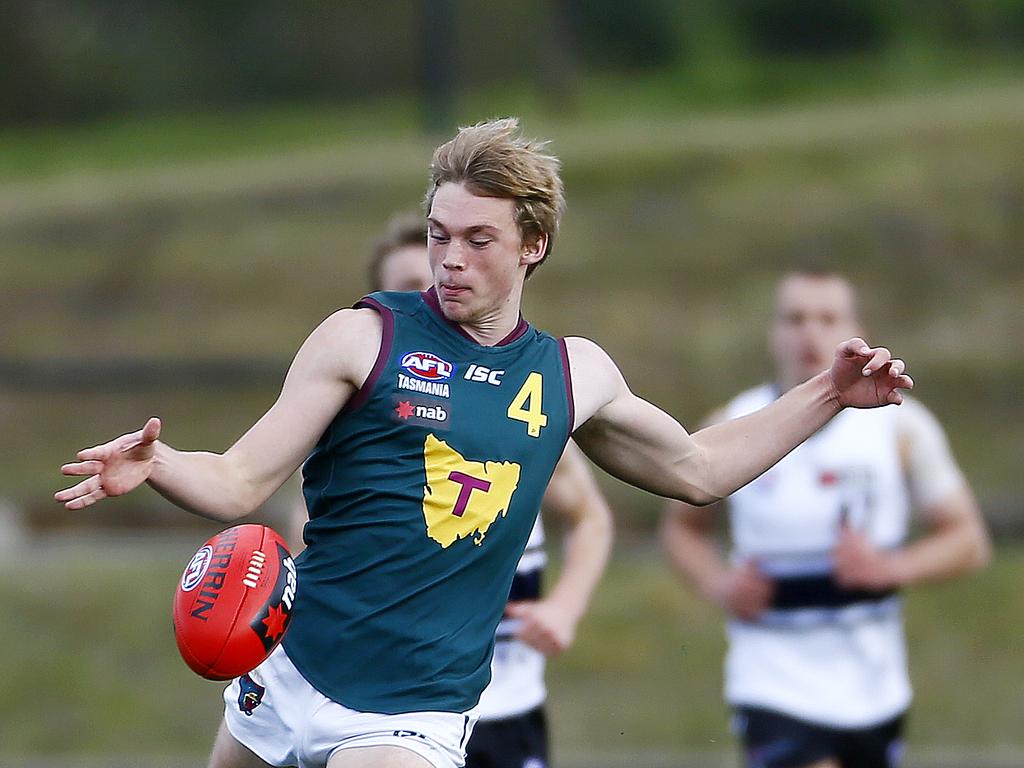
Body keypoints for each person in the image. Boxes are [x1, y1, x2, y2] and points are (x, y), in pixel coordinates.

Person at [56, 118, 913, 768]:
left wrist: (828, 392)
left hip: (412, 714)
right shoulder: (364, 338)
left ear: (533, 246)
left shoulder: (572, 376)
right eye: (438, 236)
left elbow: (699, 468)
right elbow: (241, 478)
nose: (449, 260)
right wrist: (161, 463)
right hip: (289, 670)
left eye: (478, 239)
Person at [285, 211, 615, 768]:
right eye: (408, 287)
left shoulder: (525, 414)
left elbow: (591, 515)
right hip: (384, 710)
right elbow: (305, 538)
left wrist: (565, 606)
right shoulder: (358, 425)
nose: (435, 290)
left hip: (504, 707)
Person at [661, 268, 990, 768]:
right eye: (794, 319)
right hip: (773, 682)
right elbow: (682, 528)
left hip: (874, 688)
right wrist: (720, 585)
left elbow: (967, 540)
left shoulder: (902, 426)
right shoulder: (732, 423)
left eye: (826, 318)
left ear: (853, 327)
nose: (809, 333)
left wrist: (889, 569)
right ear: (774, 332)